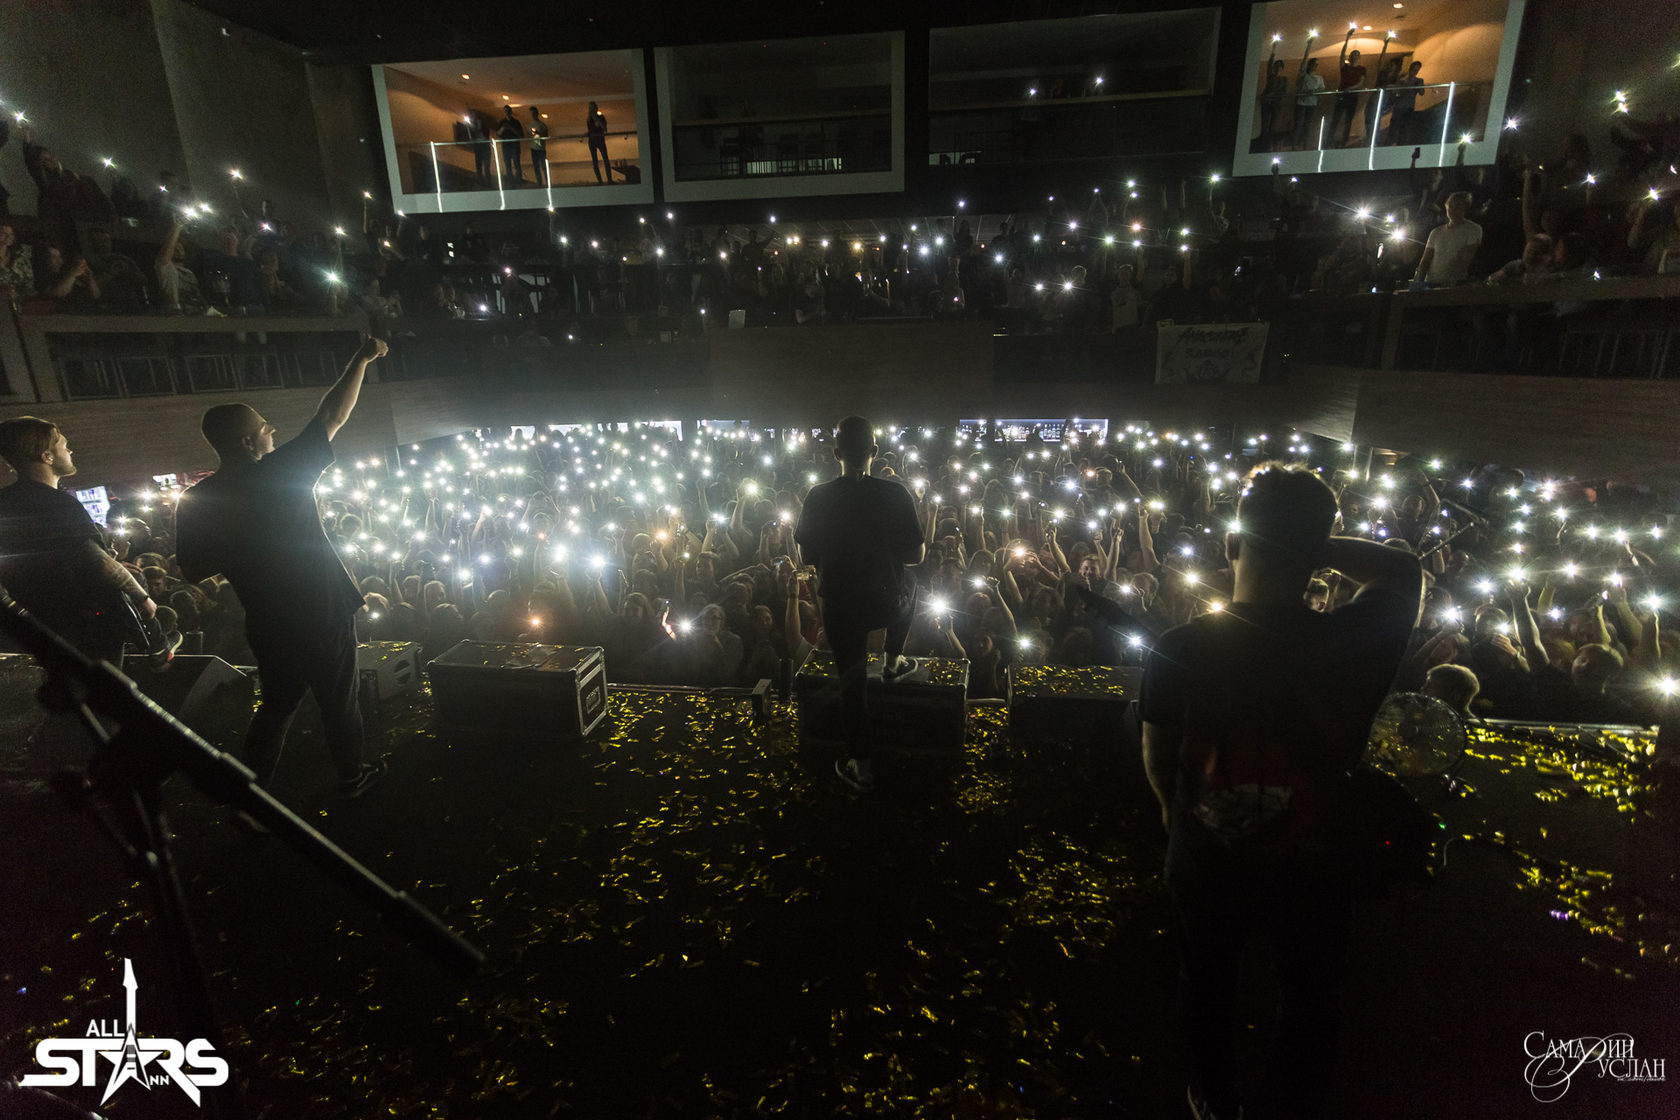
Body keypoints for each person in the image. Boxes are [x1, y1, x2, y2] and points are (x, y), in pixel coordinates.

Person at [1140, 462, 1422, 1120]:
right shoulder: (1354, 642)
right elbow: (1403, 571)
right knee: (1309, 992)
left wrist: (1171, 818)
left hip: (1209, 855)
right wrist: (1305, 539)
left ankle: (1213, 1097)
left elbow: (1158, 756)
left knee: (1207, 980)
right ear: (1318, 555)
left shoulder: (1179, 645)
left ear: (1233, 545)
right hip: (1317, 856)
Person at [174, 337, 392, 801]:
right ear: (248, 441)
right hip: (323, 610)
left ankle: (250, 795)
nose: (273, 433)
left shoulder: (196, 500)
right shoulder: (281, 470)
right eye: (266, 428)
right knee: (338, 702)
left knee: (275, 708)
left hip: (269, 621)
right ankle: (352, 779)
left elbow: (192, 570)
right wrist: (362, 358)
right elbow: (332, 414)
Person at [794, 416, 926, 792]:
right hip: (886, 604)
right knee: (913, 582)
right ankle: (893, 659)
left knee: (853, 684)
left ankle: (861, 765)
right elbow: (915, 556)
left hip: (840, 605)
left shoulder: (817, 495)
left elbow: (805, 557)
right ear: (875, 451)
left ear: (836, 453)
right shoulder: (895, 494)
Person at [0, 417, 155, 663]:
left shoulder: (5, 502)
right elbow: (99, 563)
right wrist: (142, 597)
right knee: (106, 692)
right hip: (88, 623)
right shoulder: (59, 503)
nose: (70, 450)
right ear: (47, 456)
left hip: (38, 623)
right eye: (63, 445)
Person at [1411, 191, 1482, 288]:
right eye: (1450, 206)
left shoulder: (1473, 229)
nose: (1452, 209)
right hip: (1431, 282)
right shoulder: (1436, 232)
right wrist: (1418, 283)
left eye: (1457, 206)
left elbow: (1466, 259)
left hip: (1455, 285)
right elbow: (1426, 259)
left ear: (1465, 208)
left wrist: (1453, 280)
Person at [1328, 32, 1367, 149]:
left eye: (1357, 55)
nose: (1354, 56)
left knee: (1348, 120)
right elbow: (1341, 55)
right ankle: (1329, 141)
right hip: (1342, 95)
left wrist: (1352, 88)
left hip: (1352, 96)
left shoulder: (1361, 69)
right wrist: (1347, 38)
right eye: (1353, 54)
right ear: (1350, 57)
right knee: (1336, 118)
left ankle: (1344, 142)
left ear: (1359, 57)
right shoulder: (1345, 67)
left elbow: (1361, 82)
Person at [1292, 51, 1326, 151]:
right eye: (1313, 64)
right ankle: (1294, 145)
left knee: (1308, 124)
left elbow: (1322, 89)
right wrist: (1308, 46)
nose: (1315, 66)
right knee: (1299, 124)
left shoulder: (1319, 78)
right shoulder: (1303, 75)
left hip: (1312, 103)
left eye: (1316, 64)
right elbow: (1303, 64)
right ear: (1309, 65)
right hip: (1301, 103)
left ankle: (1305, 146)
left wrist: (1314, 91)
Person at [585, 102, 613, 184]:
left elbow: (604, 128)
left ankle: (609, 180)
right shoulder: (589, 119)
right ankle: (600, 181)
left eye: (593, 108)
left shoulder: (601, 117)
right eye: (591, 108)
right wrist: (588, 133)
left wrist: (597, 119)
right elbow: (591, 130)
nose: (592, 110)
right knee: (595, 161)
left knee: (605, 159)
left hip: (599, 139)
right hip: (592, 140)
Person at [496, 106, 524, 182]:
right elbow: (498, 134)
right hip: (506, 145)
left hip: (514, 145)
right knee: (507, 163)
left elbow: (521, 135)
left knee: (516, 163)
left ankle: (518, 179)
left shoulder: (516, 122)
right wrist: (503, 128)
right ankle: (510, 179)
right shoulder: (502, 122)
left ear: (511, 112)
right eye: (505, 111)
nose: (507, 113)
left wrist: (511, 128)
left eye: (508, 111)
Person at [528, 106, 550, 187]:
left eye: (534, 113)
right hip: (533, 148)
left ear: (537, 114)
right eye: (531, 114)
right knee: (536, 166)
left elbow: (546, 135)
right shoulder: (530, 125)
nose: (533, 115)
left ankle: (547, 182)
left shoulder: (542, 125)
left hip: (541, 148)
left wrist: (539, 134)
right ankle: (539, 182)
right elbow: (528, 136)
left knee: (543, 166)